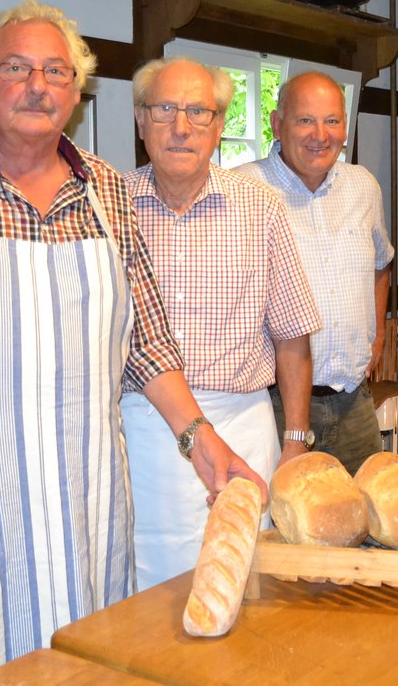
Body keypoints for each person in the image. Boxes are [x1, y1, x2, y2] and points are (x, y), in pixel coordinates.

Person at [0, 0, 265, 684]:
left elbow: (146, 341)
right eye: (18, 68)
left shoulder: (108, 194)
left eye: (57, 71)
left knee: (90, 665)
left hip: (91, 510)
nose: (39, 85)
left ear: (77, 91)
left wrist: (202, 442)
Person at [123, 56, 321, 588]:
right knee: (146, 594)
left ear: (219, 126)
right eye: (164, 109)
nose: (180, 127)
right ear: (141, 121)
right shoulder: (109, 207)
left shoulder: (261, 207)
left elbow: (292, 336)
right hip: (142, 431)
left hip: (241, 427)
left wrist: (296, 440)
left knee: (245, 585)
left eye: (198, 112)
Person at [234, 71, 394, 474]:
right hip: (272, 407)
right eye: (305, 120)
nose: (319, 135)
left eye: (332, 120)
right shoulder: (242, 189)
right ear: (277, 123)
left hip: (353, 402)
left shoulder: (363, 187)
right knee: (280, 527)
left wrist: (375, 341)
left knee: (368, 518)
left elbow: (381, 264)